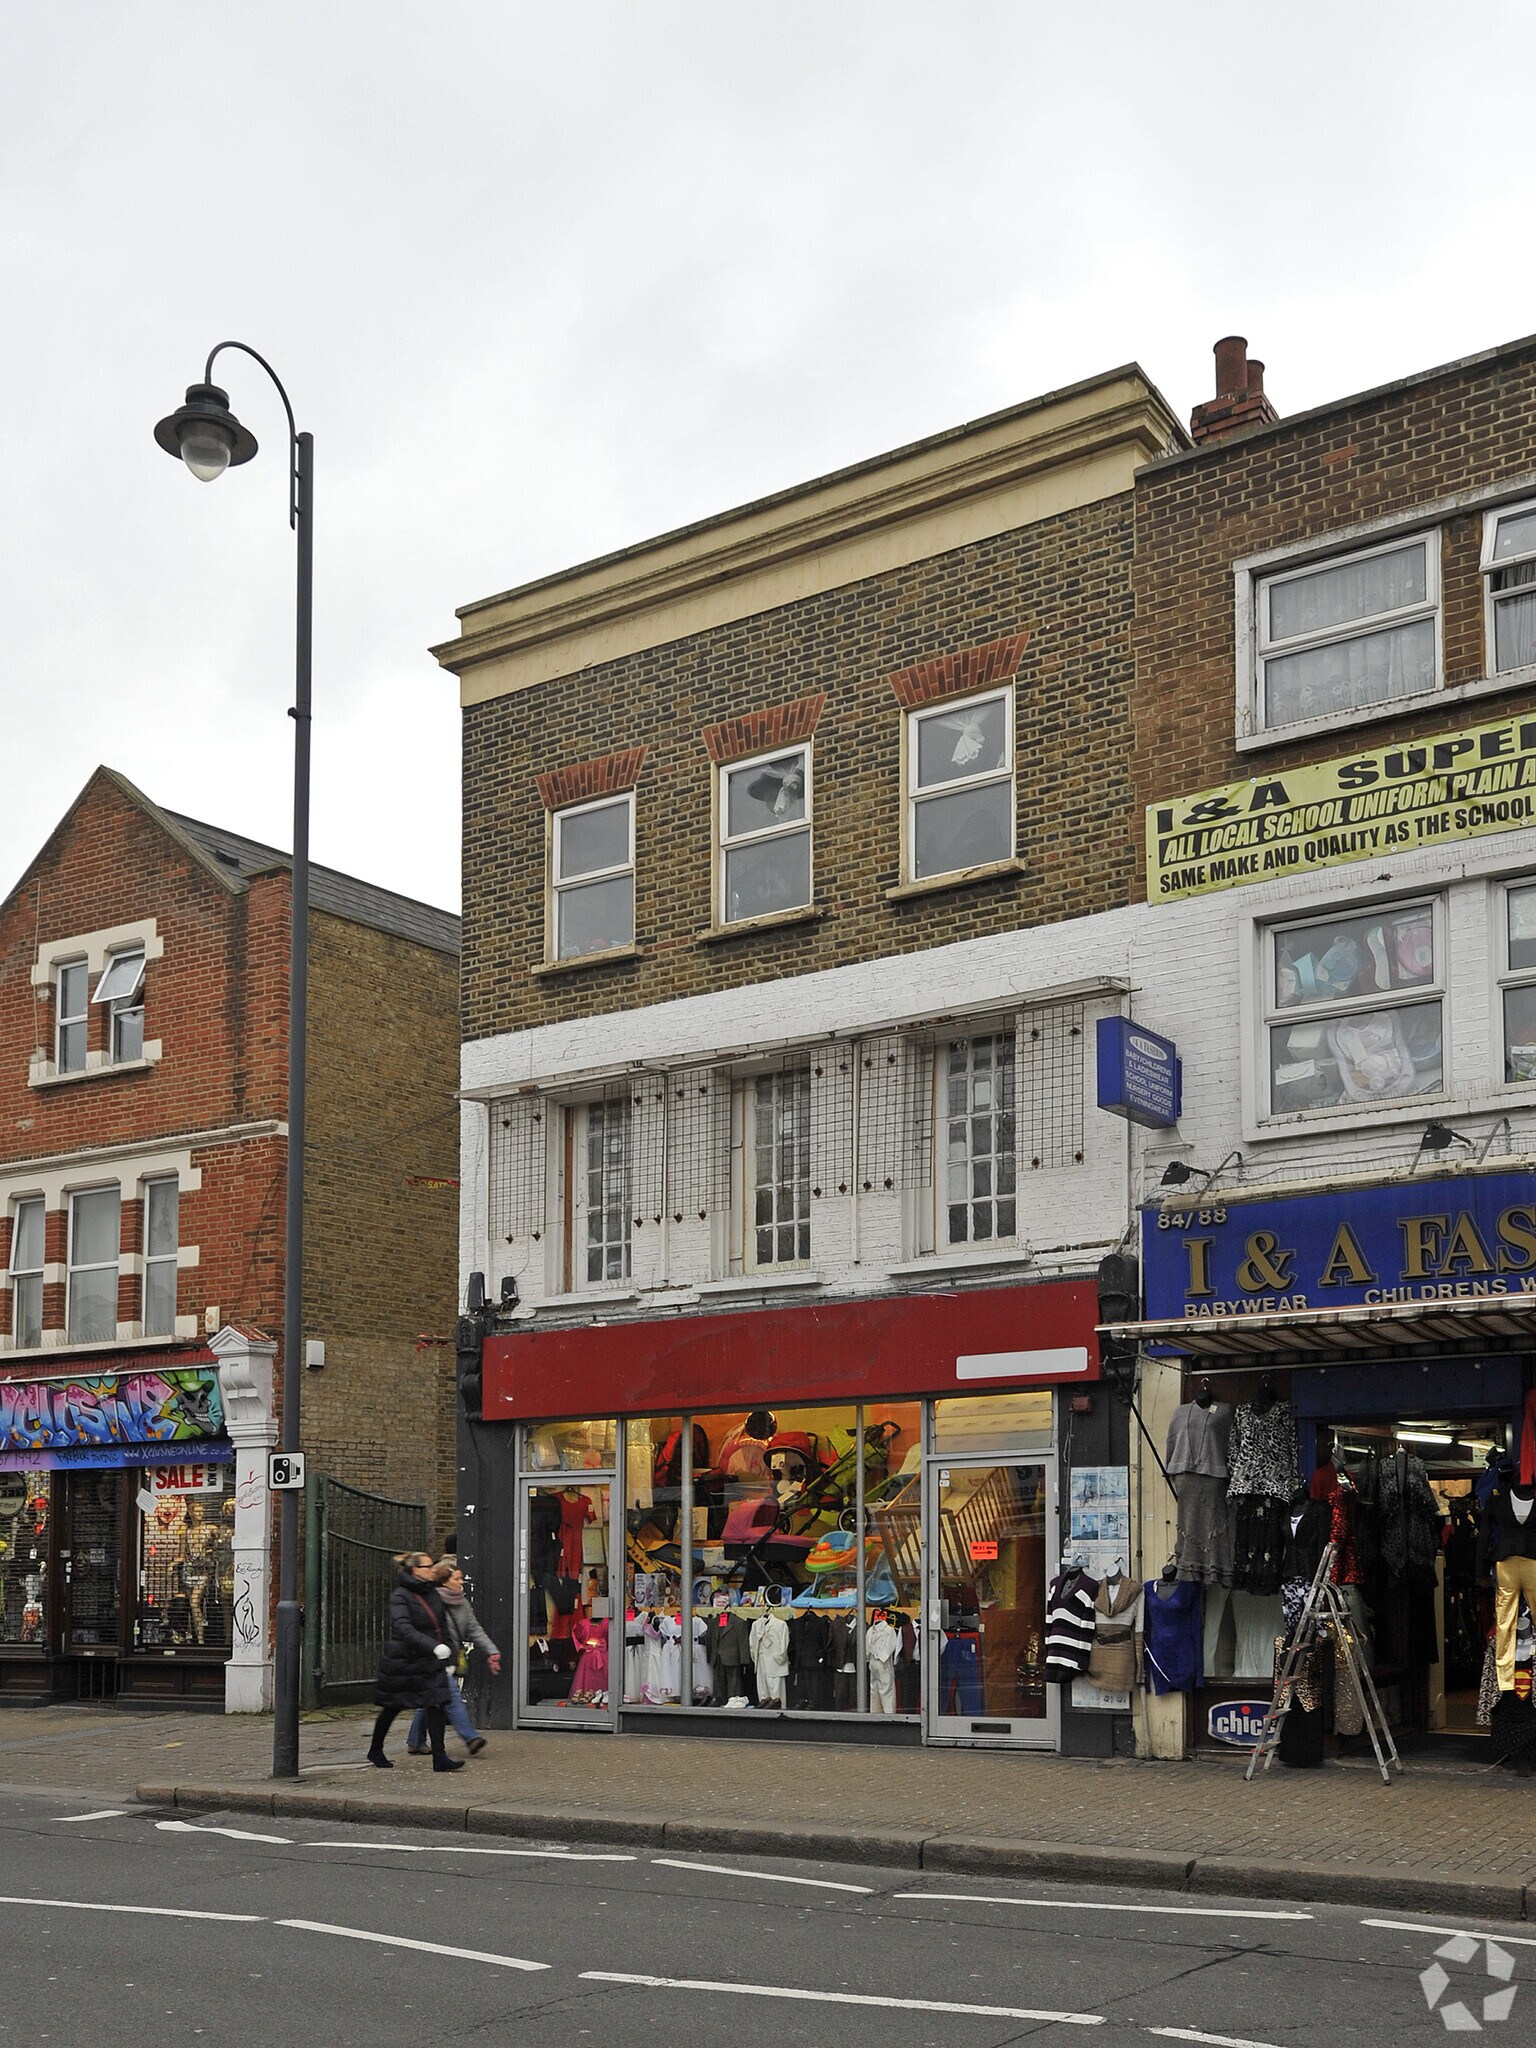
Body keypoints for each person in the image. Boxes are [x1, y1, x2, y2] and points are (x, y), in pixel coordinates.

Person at [367, 1552, 463, 1772]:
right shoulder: (400, 1596)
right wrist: (433, 1646)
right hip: (403, 1662)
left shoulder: (432, 1593)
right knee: (392, 1707)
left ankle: (440, 1757)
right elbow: (403, 1628)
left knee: (436, 1703)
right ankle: (375, 1749)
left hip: (428, 1661)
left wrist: (449, 1654)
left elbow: (442, 1626)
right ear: (415, 1570)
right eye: (429, 1566)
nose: (433, 1569)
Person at [406, 1561, 501, 1756]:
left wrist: (492, 1651)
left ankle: (415, 1741)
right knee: (450, 1696)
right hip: (430, 1658)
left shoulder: (463, 1603)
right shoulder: (430, 1602)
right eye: (457, 1579)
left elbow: (474, 1629)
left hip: (449, 1658)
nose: (462, 1582)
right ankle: (471, 1738)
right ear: (444, 1582)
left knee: (430, 1700)